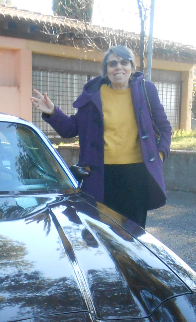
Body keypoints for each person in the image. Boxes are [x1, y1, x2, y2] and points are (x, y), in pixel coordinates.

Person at [31, 45, 172, 228]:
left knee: (134, 232)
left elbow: (164, 128)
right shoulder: (94, 95)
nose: (118, 67)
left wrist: (159, 156)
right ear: (106, 69)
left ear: (132, 67)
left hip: (137, 175)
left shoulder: (146, 91)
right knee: (103, 231)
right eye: (112, 64)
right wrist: (52, 112)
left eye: (124, 62)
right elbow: (71, 129)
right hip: (102, 175)